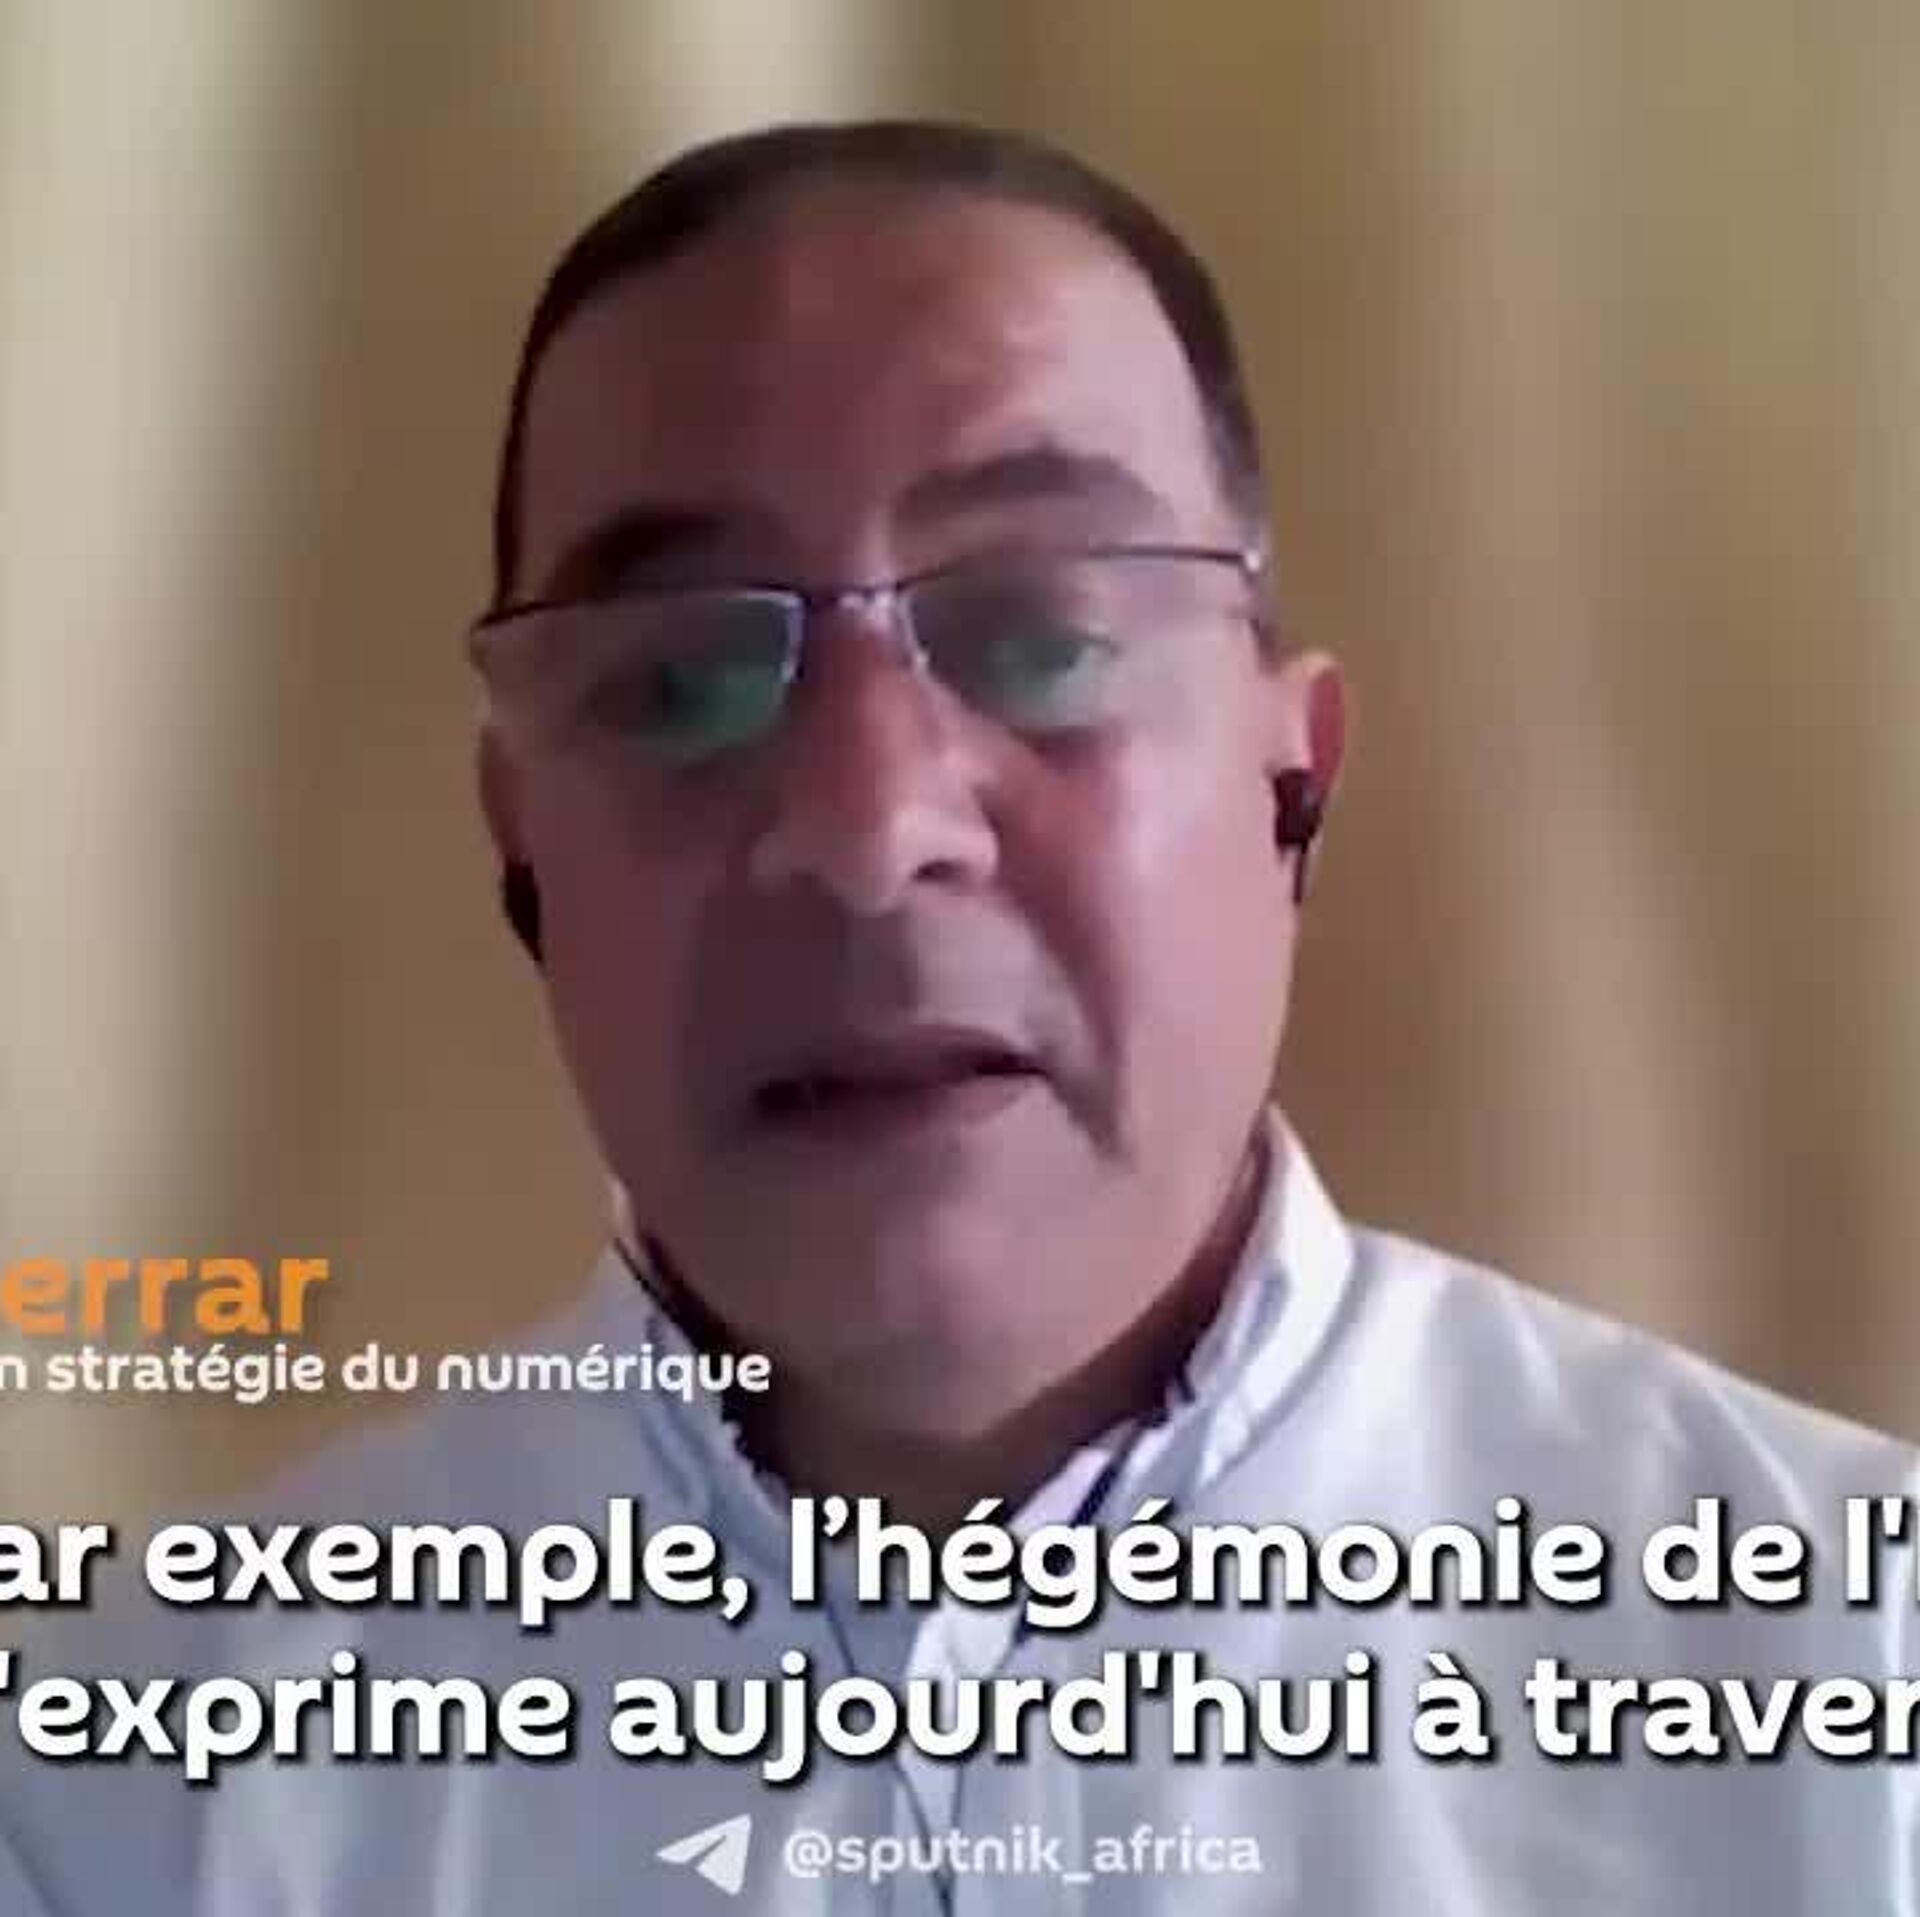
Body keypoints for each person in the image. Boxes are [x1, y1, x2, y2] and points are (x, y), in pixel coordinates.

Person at [3, 119, 1915, 1915]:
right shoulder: (127, 1801)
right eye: (679, 679)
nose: (868, 825)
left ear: (1295, 781)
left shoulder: (1851, 1676)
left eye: (1041, 635)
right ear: (522, 849)